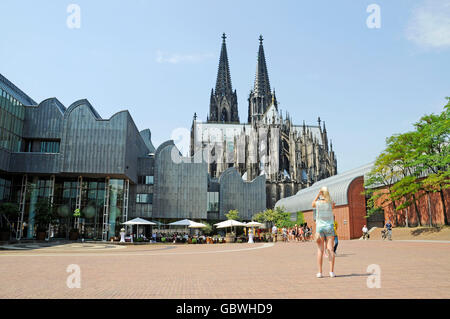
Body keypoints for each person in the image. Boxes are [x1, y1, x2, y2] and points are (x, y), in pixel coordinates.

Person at [312, 186, 337, 278]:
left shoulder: (318, 203)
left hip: (320, 227)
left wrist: (318, 194)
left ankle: (320, 272)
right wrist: (327, 195)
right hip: (329, 227)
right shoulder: (330, 203)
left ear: (321, 194)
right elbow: (334, 204)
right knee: (330, 249)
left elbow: (312, 204)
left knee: (320, 250)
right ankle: (331, 272)